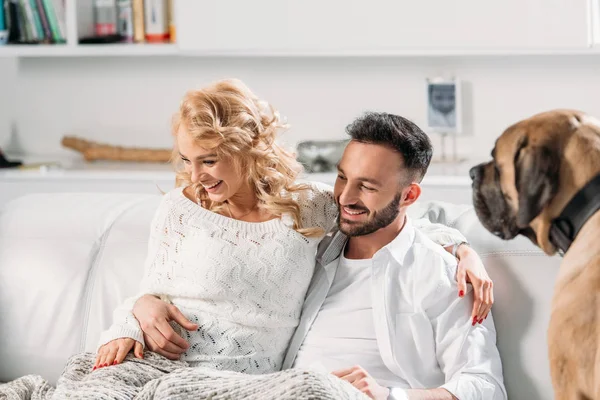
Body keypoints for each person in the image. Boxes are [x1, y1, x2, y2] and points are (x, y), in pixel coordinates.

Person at [95, 80, 492, 378]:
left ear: (245, 149)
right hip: (150, 362)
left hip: (241, 382)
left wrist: (461, 248)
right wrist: (136, 311)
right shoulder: (177, 209)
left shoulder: (310, 208)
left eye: (210, 161)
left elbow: (390, 220)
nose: (194, 176)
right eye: (187, 160)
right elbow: (151, 290)